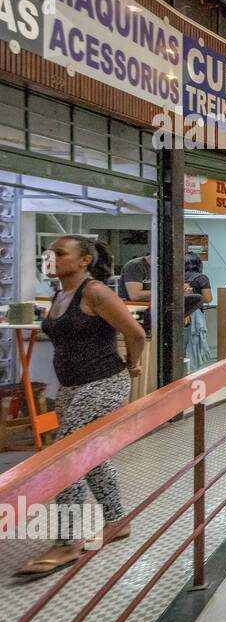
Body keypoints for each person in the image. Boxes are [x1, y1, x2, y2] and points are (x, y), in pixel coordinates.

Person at [16, 236, 146, 578]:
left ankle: (67, 541)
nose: (52, 257)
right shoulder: (61, 293)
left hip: (104, 384)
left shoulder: (96, 292)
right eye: (50, 252)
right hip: (72, 388)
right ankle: (117, 520)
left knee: (65, 454)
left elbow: (135, 333)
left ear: (85, 260)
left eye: (60, 253)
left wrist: (133, 364)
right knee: (91, 457)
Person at [183, 252, 212, 374]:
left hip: (180, 314)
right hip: (194, 315)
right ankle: (191, 371)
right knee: (194, 342)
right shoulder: (201, 278)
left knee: (182, 345)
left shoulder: (177, 276)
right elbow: (207, 298)